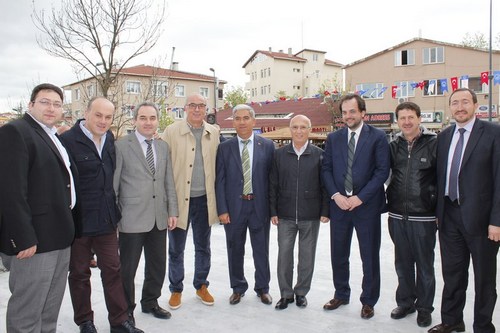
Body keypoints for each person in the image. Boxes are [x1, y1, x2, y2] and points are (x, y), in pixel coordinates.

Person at [0, 83, 78, 332]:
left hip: (59, 236)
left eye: (56, 103)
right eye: (44, 102)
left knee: (49, 310)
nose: (51, 108)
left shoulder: (52, 135)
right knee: (27, 313)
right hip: (35, 242)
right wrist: (22, 238)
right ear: (31, 104)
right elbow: (10, 191)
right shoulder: (16, 131)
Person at [60, 97, 143, 333]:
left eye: (108, 117)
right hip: (78, 223)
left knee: (113, 271)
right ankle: (85, 321)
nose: (103, 121)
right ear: (86, 113)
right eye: (98, 115)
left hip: (106, 220)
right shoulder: (66, 141)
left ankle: (119, 321)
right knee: (79, 274)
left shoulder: (110, 141)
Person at [428, 88, 500, 333]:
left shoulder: (493, 133)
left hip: (482, 221)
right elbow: (439, 177)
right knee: (453, 274)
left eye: (465, 102)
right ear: (450, 107)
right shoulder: (444, 136)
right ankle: (451, 320)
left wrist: (496, 220)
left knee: (484, 279)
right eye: (455, 103)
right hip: (449, 217)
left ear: (476, 105)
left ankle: (482, 326)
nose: (460, 107)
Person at [321, 93, 390, 319]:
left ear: (362, 113)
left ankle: (368, 300)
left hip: (366, 207)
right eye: (344, 112)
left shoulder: (378, 137)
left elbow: (382, 171)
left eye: (352, 111)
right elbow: (326, 170)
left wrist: (360, 198)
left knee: (369, 255)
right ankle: (341, 293)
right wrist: (335, 195)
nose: (348, 116)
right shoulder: (333, 138)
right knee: (338, 254)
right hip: (339, 207)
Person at [114, 102, 179, 320]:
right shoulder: (122, 146)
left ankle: (150, 302)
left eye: (152, 118)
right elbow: (114, 184)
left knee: (157, 266)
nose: (148, 122)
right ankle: (125, 311)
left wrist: (173, 210)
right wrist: (113, 217)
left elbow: (168, 179)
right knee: (127, 270)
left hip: (158, 217)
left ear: (158, 121)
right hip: (130, 218)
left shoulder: (162, 146)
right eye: (143, 118)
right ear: (135, 120)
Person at [160, 93, 220, 309]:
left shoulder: (214, 132)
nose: (197, 109)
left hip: (204, 201)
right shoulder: (171, 131)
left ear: (206, 109)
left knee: (203, 247)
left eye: (201, 106)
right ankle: (176, 289)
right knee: (176, 249)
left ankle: (201, 285)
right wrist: (168, 205)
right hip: (178, 203)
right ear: (185, 108)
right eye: (192, 105)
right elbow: (163, 167)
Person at [215, 104, 275, 305]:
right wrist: (222, 209)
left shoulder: (267, 146)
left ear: (253, 121)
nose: (242, 122)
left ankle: (263, 288)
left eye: (246, 118)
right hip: (233, 209)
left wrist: (273, 210)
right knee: (235, 249)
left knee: (261, 249)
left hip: (259, 208)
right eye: (238, 118)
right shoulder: (224, 148)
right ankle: (238, 287)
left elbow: (272, 181)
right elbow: (220, 181)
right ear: (233, 122)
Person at [269, 115, 330, 310]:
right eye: (295, 127)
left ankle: (301, 292)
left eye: (303, 127)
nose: (299, 131)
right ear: (290, 129)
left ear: (309, 129)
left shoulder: (319, 155)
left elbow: (325, 186)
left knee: (307, 257)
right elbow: (272, 185)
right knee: (284, 256)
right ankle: (286, 294)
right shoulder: (279, 155)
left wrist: (325, 210)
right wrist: (273, 211)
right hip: (285, 215)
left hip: (310, 215)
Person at [386, 102, 437, 327]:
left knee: (425, 265)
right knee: (402, 263)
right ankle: (405, 302)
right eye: (402, 118)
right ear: (397, 121)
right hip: (397, 214)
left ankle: (425, 308)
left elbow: (442, 178)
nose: (406, 122)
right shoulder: (393, 145)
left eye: (410, 117)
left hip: (424, 216)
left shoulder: (434, 143)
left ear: (419, 118)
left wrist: (438, 210)